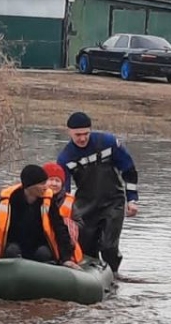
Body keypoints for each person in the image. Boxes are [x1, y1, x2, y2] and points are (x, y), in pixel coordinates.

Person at [56, 112, 138, 274]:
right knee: (86, 249)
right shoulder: (65, 158)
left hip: (113, 202)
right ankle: (92, 282)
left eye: (86, 133)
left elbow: (128, 169)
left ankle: (113, 275)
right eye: (77, 135)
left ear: (91, 130)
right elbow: (64, 191)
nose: (82, 138)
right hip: (85, 206)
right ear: (69, 132)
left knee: (109, 247)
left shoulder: (108, 142)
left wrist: (132, 200)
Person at [0, 164, 78, 266]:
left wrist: (66, 258)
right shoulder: (8, 201)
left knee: (43, 253)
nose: (46, 187)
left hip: (39, 246)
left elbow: (60, 230)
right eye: (42, 183)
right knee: (12, 250)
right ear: (30, 186)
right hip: (14, 246)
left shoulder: (48, 202)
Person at [42, 162, 83, 261]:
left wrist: (65, 223)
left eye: (57, 181)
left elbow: (80, 224)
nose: (54, 184)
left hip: (63, 244)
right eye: (51, 180)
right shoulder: (37, 197)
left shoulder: (69, 201)